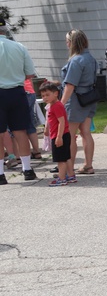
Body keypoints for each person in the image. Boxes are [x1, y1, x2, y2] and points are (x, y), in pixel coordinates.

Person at [0, 20, 39, 183]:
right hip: (17, 92)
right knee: (20, 131)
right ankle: (27, 169)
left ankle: (0, 174)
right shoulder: (19, 47)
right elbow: (30, 74)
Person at [61, 29, 99, 177]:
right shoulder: (90, 58)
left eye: (67, 41)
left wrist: (61, 103)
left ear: (72, 43)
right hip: (89, 98)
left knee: (69, 135)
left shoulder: (76, 60)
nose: (66, 44)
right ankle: (88, 165)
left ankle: (68, 167)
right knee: (86, 133)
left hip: (76, 100)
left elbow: (70, 85)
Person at [39, 81, 72, 186]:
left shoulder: (56, 106)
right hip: (63, 134)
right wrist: (47, 129)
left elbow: (61, 122)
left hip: (60, 135)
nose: (45, 98)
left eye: (47, 95)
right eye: (43, 96)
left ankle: (61, 178)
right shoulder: (53, 105)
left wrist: (59, 137)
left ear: (56, 93)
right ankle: (71, 175)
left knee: (60, 159)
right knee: (66, 157)